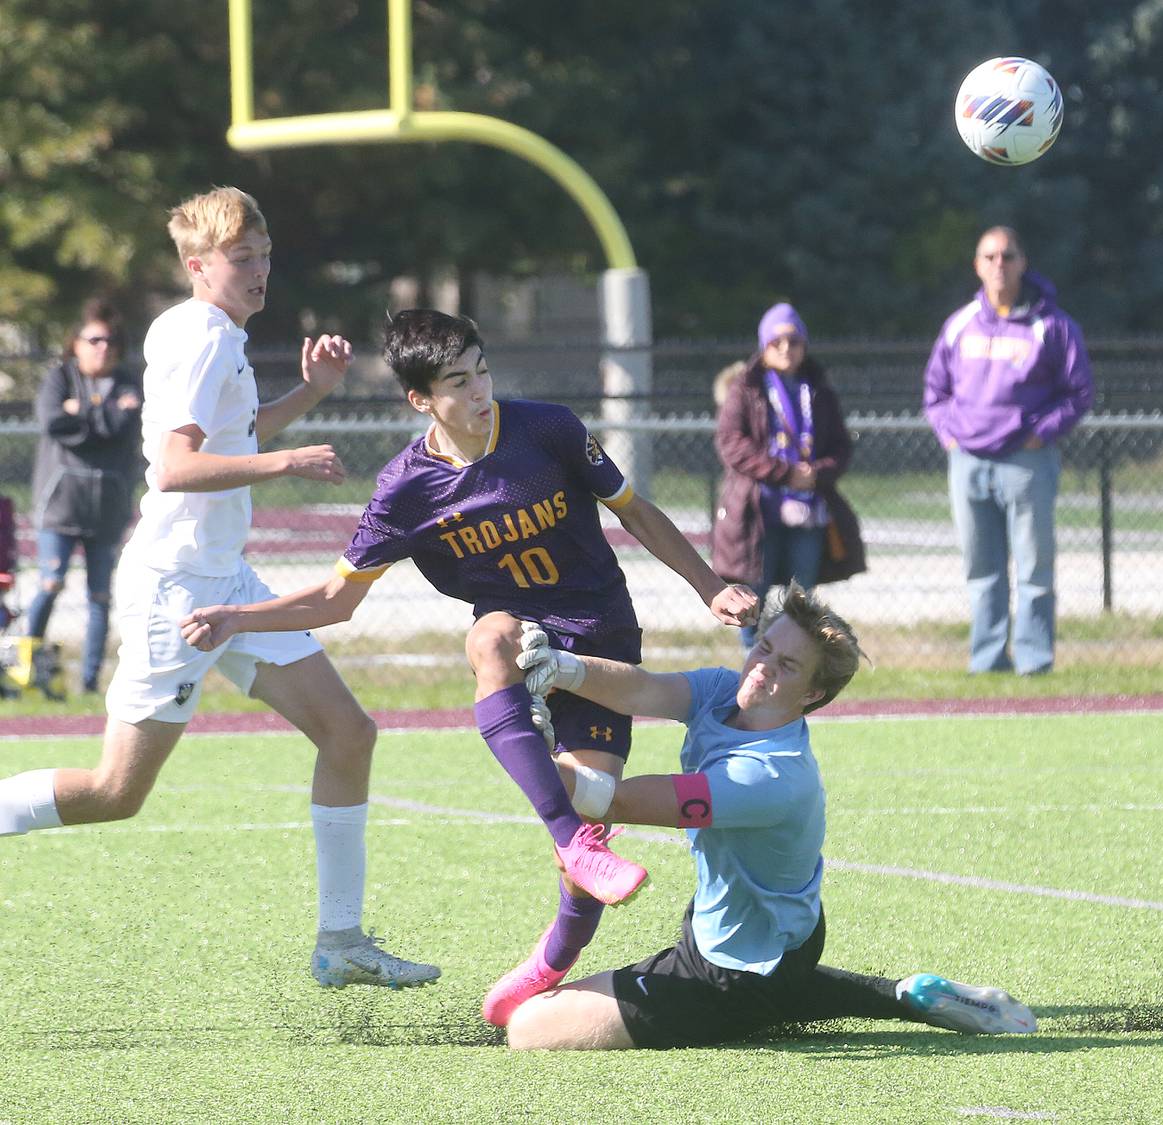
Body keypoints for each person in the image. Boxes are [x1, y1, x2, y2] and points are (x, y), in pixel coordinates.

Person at [176, 308, 759, 1024]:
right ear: (420, 398)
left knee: (596, 802)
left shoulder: (548, 428)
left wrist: (710, 586)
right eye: (458, 380)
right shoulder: (407, 487)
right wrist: (239, 617)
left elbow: (635, 512)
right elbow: (335, 598)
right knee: (489, 639)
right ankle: (572, 840)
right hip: (515, 636)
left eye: (482, 369)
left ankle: (553, 956)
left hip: (601, 637)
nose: (480, 389)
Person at [0, 186, 437, 990]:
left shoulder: (210, 332)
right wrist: (288, 462)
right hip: (179, 593)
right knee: (113, 791)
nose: (260, 271)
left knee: (348, 733)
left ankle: (341, 939)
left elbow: (230, 434)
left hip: (224, 580)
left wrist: (309, 397)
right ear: (199, 266)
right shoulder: (202, 338)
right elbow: (173, 468)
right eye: (243, 259)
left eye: (265, 256)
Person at [501, 581, 1037, 1048]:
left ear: (814, 693)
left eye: (787, 666)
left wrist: (524, 750)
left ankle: (786, 1002)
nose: (762, 668)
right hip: (787, 937)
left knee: (529, 1027)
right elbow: (642, 688)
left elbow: (617, 801)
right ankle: (904, 996)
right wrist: (564, 669)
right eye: (763, 648)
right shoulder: (721, 693)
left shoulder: (768, 777)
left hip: (728, 970)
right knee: (783, 983)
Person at [922, 226, 1094, 676]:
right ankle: (987, 660)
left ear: (1023, 263)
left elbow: (1078, 393)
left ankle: (1035, 661)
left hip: (1026, 461)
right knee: (982, 569)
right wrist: (950, 435)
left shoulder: (1052, 325)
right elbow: (935, 391)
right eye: (990, 256)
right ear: (977, 265)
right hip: (969, 462)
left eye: (1009, 256)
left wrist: (1042, 433)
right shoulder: (960, 324)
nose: (1000, 264)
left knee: (1035, 568)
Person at [712, 303, 865, 649]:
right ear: (763, 345)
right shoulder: (745, 388)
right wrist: (785, 474)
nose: (786, 348)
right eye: (776, 341)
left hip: (808, 512)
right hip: (758, 513)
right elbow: (732, 444)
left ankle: (791, 663)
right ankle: (752, 666)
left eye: (794, 341)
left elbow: (840, 446)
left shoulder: (819, 390)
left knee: (801, 597)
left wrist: (816, 474)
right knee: (754, 596)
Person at [26, 299, 144, 693]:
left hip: (107, 509)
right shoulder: (59, 378)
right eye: (93, 339)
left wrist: (85, 413)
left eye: (109, 341)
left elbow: (123, 428)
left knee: (99, 595)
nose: (102, 348)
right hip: (61, 505)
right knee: (51, 583)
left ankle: (90, 682)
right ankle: (28, 665)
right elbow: (53, 421)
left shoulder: (129, 381)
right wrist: (105, 413)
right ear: (75, 343)